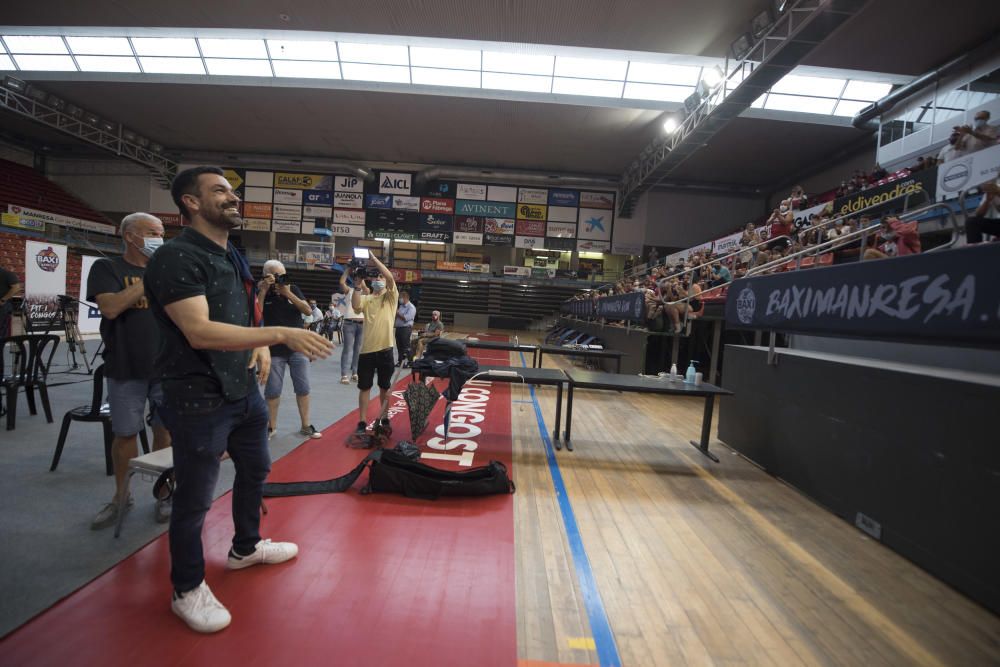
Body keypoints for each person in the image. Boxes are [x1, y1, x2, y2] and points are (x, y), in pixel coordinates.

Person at [144, 166, 333, 634]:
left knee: (256, 470)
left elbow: (244, 308)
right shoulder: (175, 256)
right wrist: (281, 332)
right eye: (220, 191)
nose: (232, 197)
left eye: (232, 191)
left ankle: (245, 548)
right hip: (196, 396)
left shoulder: (231, 253)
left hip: (242, 389)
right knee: (194, 498)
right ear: (190, 202)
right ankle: (186, 588)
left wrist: (261, 345)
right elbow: (199, 330)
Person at [86, 212, 172, 529]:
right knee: (124, 435)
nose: (158, 238)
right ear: (130, 236)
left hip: (167, 368)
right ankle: (121, 497)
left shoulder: (169, 272)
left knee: (166, 431)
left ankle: (164, 493)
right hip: (125, 367)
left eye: (161, 232)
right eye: (151, 232)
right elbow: (110, 307)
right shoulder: (107, 268)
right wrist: (151, 279)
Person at [256, 260, 322, 441]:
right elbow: (256, 314)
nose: (279, 279)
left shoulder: (293, 288)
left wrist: (287, 293)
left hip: (297, 347)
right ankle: (271, 427)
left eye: (282, 275)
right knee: (272, 390)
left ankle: (306, 425)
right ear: (266, 275)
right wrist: (263, 290)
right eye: (275, 276)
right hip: (274, 349)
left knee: (303, 387)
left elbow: (308, 311)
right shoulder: (261, 290)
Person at [351, 254, 398, 437]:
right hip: (367, 351)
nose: (379, 280)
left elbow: (391, 277)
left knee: (384, 387)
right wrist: (357, 284)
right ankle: (362, 421)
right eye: (376, 277)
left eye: (381, 278)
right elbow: (355, 305)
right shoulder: (367, 298)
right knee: (364, 387)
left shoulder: (390, 297)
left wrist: (374, 259)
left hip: (385, 350)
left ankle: (385, 417)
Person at [336, 269, 365, 385]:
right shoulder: (349, 290)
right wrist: (348, 269)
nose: (357, 280)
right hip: (349, 323)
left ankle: (355, 372)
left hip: (362, 324)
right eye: (356, 278)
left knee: (357, 350)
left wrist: (361, 278)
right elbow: (342, 282)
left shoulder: (364, 291)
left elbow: (366, 288)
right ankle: (344, 374)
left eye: (359, 278)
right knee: (347, 349)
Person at [964, 179, 1000, 244]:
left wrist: (998, 193)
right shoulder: (993, 189)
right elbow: (978, 214)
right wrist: (987, 201)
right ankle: (975, 251)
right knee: (972, 222)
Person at [394, 290, 416, 367]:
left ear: (405, 298)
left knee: (405, 346)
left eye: (401, 298)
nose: (400, 300)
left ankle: (409, 362)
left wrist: (397, 313)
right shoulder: (401, 306)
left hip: (406, 329)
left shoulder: (411, 307)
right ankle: (400, 361)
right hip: (399, 328)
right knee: (399, 345)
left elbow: (406, 318)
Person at [0, 264, 22, 337]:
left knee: (2, 330)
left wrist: (3, 299)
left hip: (3, 306)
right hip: (4, 305)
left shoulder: (7, 274)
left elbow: (16, 287)